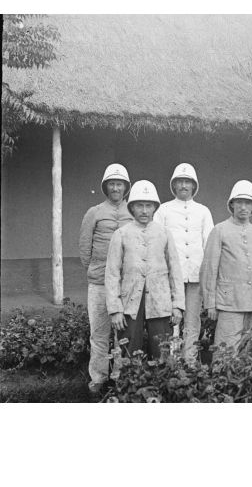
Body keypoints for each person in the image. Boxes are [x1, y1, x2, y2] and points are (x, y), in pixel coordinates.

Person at [200, 180, 252, 350]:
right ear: (232, 204)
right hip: (228, 301)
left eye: (248, 203)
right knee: (225, 349)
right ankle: (221, 377)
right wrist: (210, 303)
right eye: (239, 202)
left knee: (249, 349)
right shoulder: (220, 230)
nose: (243, 207)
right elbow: (209, 269)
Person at [105, 180, 185, 358]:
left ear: (155, 208)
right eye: (139, 205)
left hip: (160, 300)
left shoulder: (164, 233)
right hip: (130, 301)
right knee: (129, 350)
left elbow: (175, 271)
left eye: (148, 205)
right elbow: (112, 274)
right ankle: (129, 385)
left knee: (161, 349)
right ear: (132, 208)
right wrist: (115, 309)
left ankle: (161, 384)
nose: (144, 210)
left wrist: (177, 305)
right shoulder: (121, 234)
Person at [79, 163, 134, 394]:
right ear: (105, 186)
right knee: (99, 332)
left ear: (126, 187)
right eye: (112, 183)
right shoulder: (94, 212)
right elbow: (84, 247)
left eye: (119, 184)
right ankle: (98, 378)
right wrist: (95, 270)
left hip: (126, 283)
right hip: (100, 282)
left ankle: (121, 377)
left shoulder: (133, 211)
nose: (115, 188)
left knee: (123, 333)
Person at [154, 163, 214, 362]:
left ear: (194, 185)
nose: (183, 185)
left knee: (192, 320)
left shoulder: (203, 211)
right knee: (173, 318)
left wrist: (207, 276)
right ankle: (172, 360)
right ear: (173, 185)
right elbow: (157, 242)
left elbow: (209, 244)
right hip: (172, 275)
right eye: (179, 181)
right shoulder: (163, 210)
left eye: (187, 181)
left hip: (195, 274)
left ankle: (190, 360)